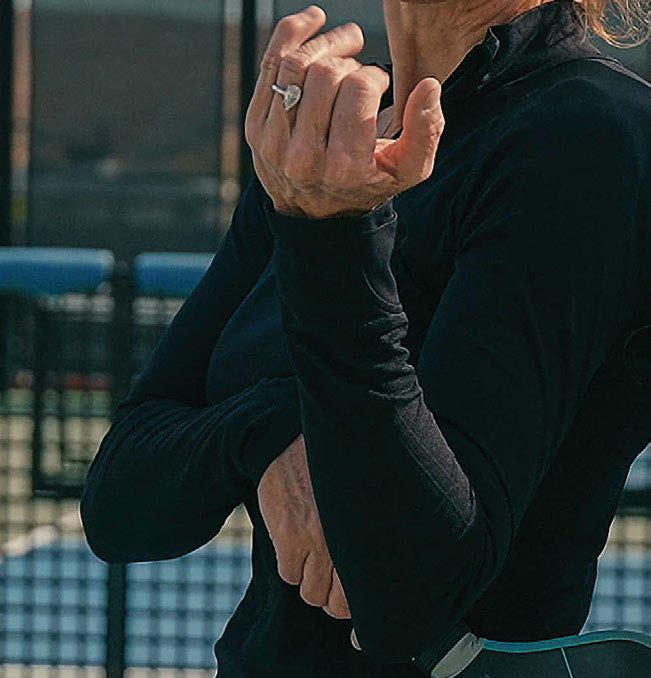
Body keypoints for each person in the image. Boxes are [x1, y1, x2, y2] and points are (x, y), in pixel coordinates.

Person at [80, 0, 651, 675]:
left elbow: (410, 592)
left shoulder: (589, 132)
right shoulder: (334, 138)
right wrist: (264, 431)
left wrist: (334, 232)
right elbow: (117, 503)